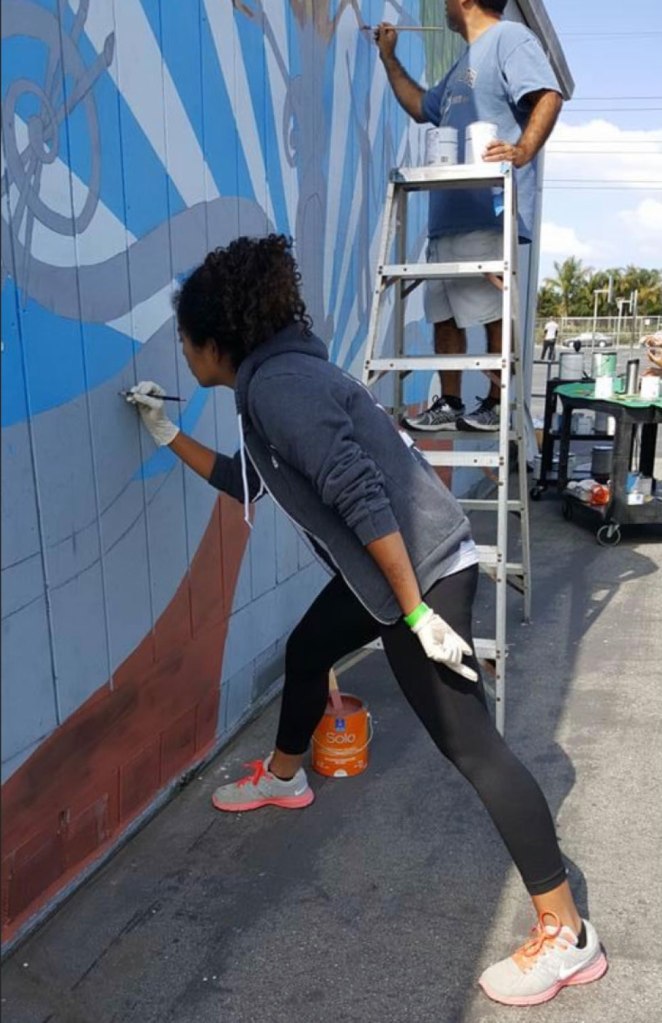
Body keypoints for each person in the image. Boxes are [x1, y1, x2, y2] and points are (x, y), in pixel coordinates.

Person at [125, 234, 607, 1007]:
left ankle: (568, 933)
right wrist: (164, 434)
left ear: (216, 342)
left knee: (472, 747)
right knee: (310, 645)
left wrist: (416, 611)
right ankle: (284, 778)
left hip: (422, 575)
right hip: (389, 575)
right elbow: (249, 481)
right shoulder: (277, 383)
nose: (182, 354)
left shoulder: (279, 388)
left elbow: (359, 494)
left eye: (184, 341)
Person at [374, 1, 563, 432]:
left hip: (487, 210)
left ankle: (496, 404)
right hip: (448, 213)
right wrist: (389, 57)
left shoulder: (510, 39)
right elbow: (423, 106)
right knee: (443, 312)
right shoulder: (465, 60)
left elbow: (548, 96)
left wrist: (522, 152)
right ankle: (452, 402)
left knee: (489, 309)